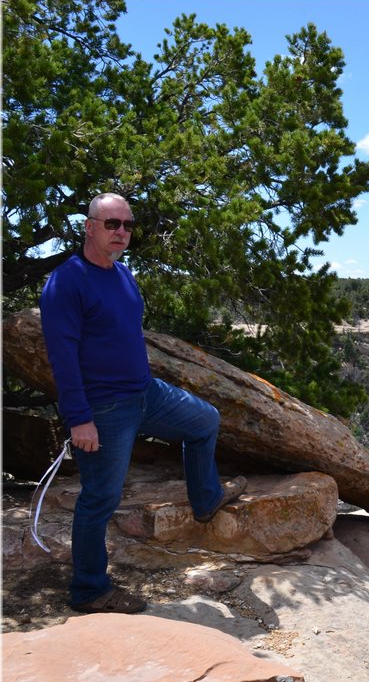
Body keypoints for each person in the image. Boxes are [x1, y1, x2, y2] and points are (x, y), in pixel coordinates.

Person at [39, 192, 246, 614]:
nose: (121, 232)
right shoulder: (67, 282)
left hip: (145, 393)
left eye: (128, 225)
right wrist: (79, 420)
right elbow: (62, 357)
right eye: (112, 223)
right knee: (100, 499)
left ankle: (205, 501)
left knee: (205, 420)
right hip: (104, 408)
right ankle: (89, 591)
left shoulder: (122, 274)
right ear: (89, 227)